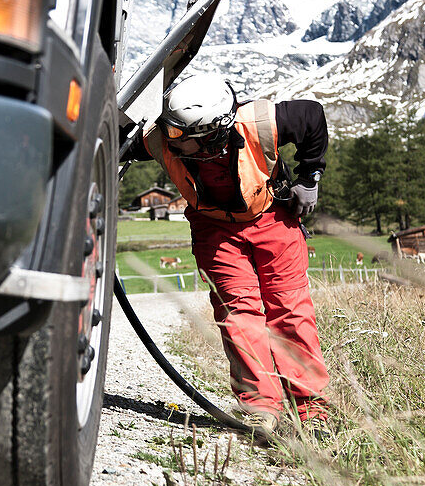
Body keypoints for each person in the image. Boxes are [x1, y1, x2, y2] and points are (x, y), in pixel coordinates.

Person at [125, 74, 329, 438]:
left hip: (274, 219)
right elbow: (115, 142)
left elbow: (312, 116)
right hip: (214, 229)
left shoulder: (262, 122)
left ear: (215, 132)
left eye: (184, 138)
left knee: (290, 312)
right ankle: (261, 410)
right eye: (173, 133)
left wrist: (309, 177)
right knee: (238, 315)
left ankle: (313, 411)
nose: (175, 142)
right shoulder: (162, 135)